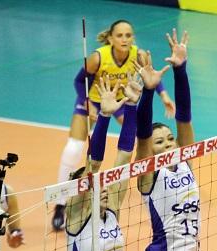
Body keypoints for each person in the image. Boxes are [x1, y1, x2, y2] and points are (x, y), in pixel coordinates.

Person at [52, 19, 176, 231]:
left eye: (128, 35)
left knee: (140, 139)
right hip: (94, 100)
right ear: (110, 38)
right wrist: (87, 101)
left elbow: (151, 76)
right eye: (119, 35)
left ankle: (152, 177)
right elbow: (78, 81)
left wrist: (164, 96)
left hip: (122, 101)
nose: (124, 39)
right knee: (73, 149)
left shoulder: (139, 55)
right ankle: (60, 205)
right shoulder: (97, 58)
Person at [59, 74, 142, 251]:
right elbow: (93, 165)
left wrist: (132, 107)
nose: (101, 189)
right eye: (92, 187)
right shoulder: (76, 220)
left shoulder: (112, 212)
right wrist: (104, 117)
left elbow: (125, 156)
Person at [133, 29, 200, 251]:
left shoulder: (184, 161)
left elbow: (184, 116)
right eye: (161, 142)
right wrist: (148, 93)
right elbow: (143, 136)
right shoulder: (149, 174)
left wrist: (180, 70)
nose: (169, 145)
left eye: (170, 139)